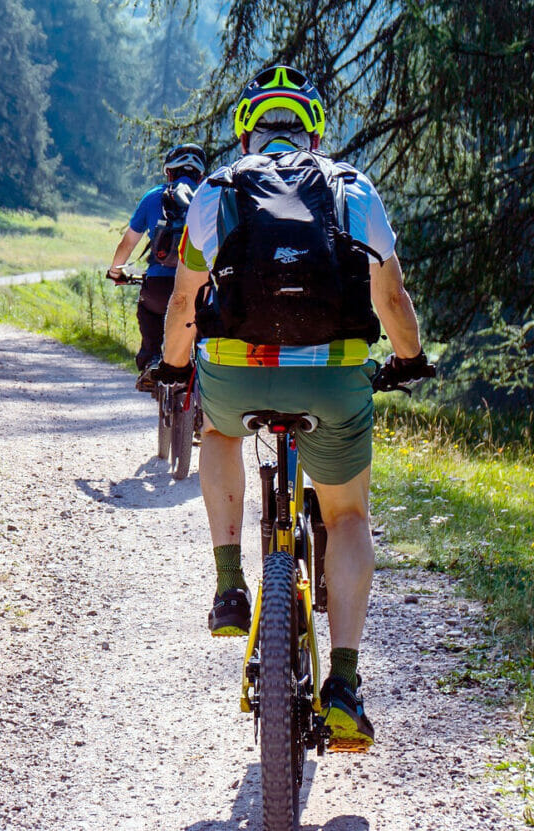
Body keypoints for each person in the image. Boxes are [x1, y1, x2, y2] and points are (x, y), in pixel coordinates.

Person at [155, 66, 435, 747]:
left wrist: (171, 364)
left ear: (246, 129)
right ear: (313, 131)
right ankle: (342, 681)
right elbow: (392, 302)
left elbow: (186, 302)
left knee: (218, 434)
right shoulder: (352, 188)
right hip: (333, 378)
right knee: (347, 515)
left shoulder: (218, 189)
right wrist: (408, 359)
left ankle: (228, 582)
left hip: (237, 373)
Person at [107, 143, 207, 390]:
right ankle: (207, 374)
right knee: (206, 324)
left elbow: (127, 244)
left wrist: (116, 271)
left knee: (149, 310)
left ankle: (152, 359)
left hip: (159, 286)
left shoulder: (153, 197)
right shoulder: (210, 196)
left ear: (169, 173)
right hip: (200, 287)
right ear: (200, 176)